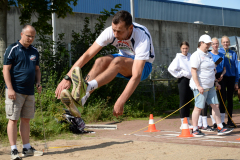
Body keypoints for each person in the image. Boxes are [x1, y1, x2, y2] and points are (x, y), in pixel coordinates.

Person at [55, 10, 155, 118]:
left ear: (130, 28)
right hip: (123, 59)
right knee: (100, 61)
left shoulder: (141, 36)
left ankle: (86, 87)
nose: (115, 34)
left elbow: (136, 75)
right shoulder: (110, 32)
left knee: (117, 62)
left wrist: (121, 100)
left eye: (119, 31)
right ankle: (78, 104)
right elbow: (88, 54)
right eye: (114, 30)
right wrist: (67, 77)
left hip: (144, 66)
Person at [3, 25, 43, 160]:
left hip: (29, 91)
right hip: (15, 91)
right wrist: (10, 88)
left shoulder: (35, 51)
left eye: (33, 36)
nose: (30, 38)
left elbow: (37, 69)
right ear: (21, 34)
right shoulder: (13, 49)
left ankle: (26, 148)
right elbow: (5, 70)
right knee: (13, 119)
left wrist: (38, 82)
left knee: (26, 119)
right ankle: (14, 150)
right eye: (28, 36)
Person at [189, 34, 232, 137]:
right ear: (201, 43)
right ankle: (195, 129)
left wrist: (216, 82)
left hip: (211, 85)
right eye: (207, 44)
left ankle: (220, 127)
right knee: (198, 107)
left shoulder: (208, 55)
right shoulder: (196, 55)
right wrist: (199, 86)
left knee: (216, 105)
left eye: (209, 44)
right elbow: (193, 71)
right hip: (201, 86)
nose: (209, 46)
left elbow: (212, 70)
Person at [199, 37, 226, 132]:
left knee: (216, 103)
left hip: (217, 77)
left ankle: (219, 124)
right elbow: (211, 68)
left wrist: (221, 75)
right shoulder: (208, 55)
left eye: (216, 43)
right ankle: (203, 124)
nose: (215, 45)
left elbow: (223, 67)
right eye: (213, 44)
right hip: (209, 78)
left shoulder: (222, 55)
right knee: (204, 103)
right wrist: (215, 79)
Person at [168, 41, 193, 129]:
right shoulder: (178, 57)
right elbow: (171, 69)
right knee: (183, 100)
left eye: (186, 48)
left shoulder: (191, 56)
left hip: (191, 80)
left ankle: (188, 121)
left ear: (188, 48)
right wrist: (181, 73)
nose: (185, 50)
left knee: (189, 101)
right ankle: (183, 122)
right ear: (180, 49)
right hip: (183, 81)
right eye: (183, 48)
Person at [218, 36, 239, 128]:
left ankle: (229, 120)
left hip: (231, 77)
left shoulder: (233, 53)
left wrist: (236, 82)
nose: (226, 44)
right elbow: (216, 65)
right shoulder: (219, 53)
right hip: (223, 78)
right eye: (224, 42)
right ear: (221, 43)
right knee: (223, 98)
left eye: (227, 42)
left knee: (230, 99)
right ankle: (222, 121)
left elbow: (236, 67)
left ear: (229, 43)